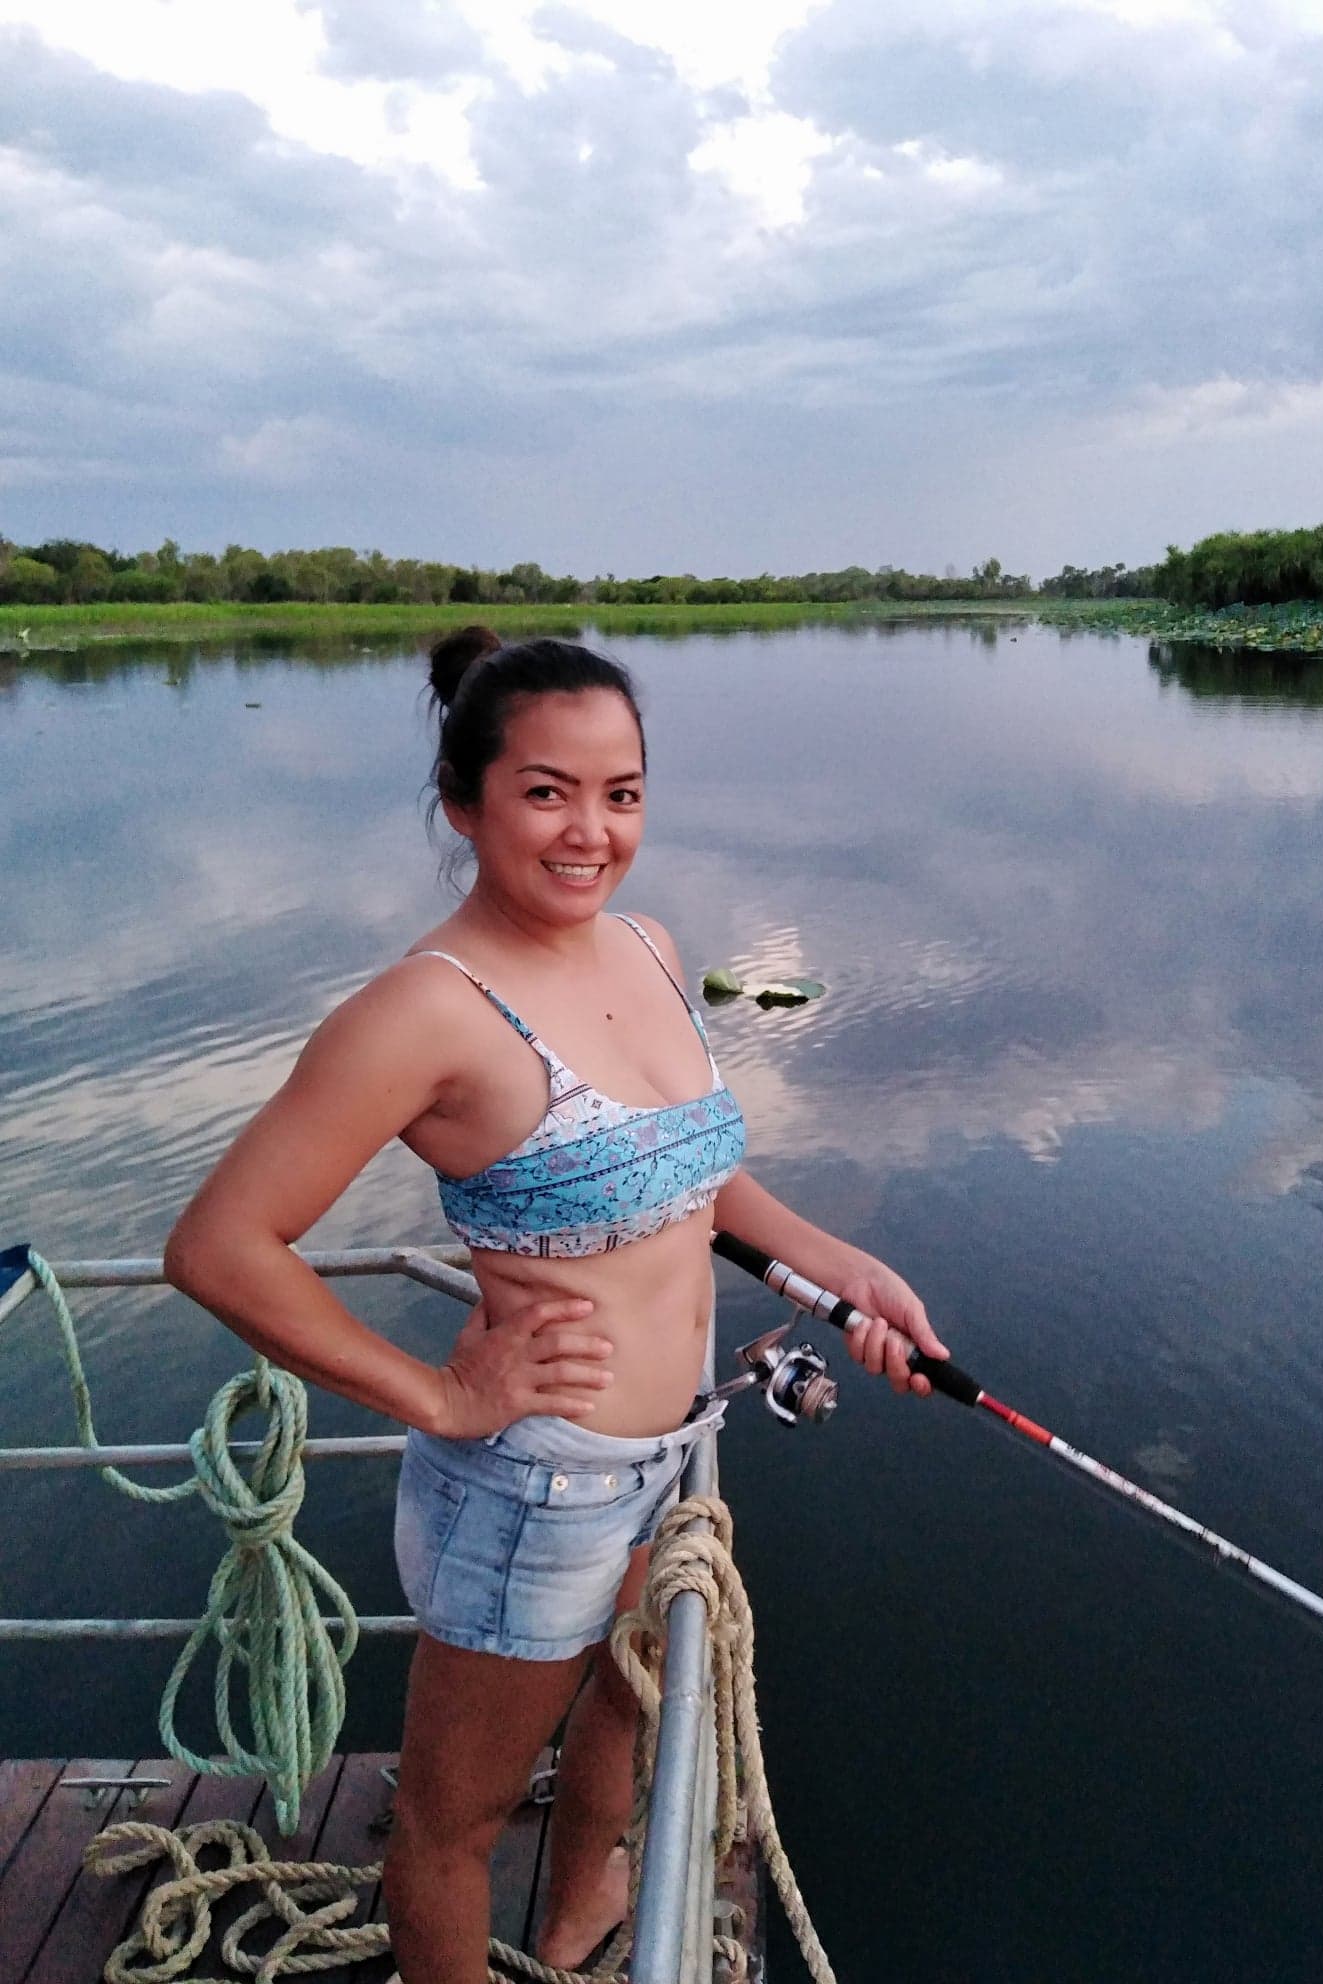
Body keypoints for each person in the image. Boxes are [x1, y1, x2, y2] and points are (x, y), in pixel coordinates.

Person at [164, 628, 948, 1982]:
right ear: (463, 804)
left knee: (631, 1705)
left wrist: (844, 1265)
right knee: (451, 1822)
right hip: (537, 1486)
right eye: (546, 792)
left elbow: (697, 1176)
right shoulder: (426, 1011)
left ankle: (585, 1907)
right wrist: (440, 1396)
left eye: (623, 793)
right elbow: (221, 1246)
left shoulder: (645, 944)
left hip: (674, 1448)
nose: (592, 832)